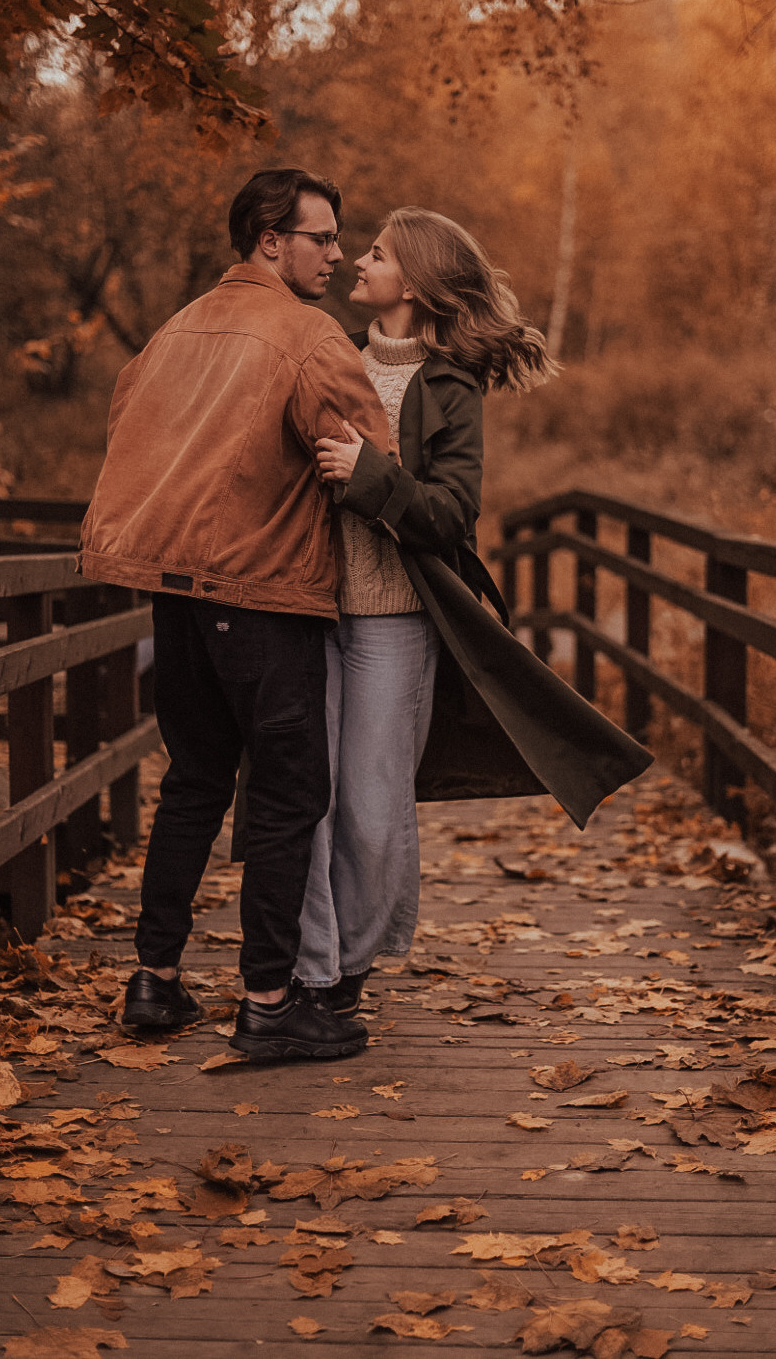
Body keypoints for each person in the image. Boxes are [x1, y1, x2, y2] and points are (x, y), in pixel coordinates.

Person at [292, 207, 653, 1016]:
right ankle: (309, 970)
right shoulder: (331, 359)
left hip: (393, 620)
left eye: (375, 255)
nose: (356, 261)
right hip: (309, 610)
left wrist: (366, 472)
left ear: (412, 284)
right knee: (303, 793)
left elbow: (452, 515)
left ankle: (351, 967)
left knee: (373, 805)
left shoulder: (451, 387)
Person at [77, 168, 391, 1060]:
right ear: (268, 239)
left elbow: (126, 437)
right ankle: (267, 1001)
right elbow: (372, 453)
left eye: (338, 240)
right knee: (291, 794)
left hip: (173, 596)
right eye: (320, 237)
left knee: (193, 782)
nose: (335, 252)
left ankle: (155, 981)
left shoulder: (171, 331)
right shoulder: (307, 335)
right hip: (261, 594)